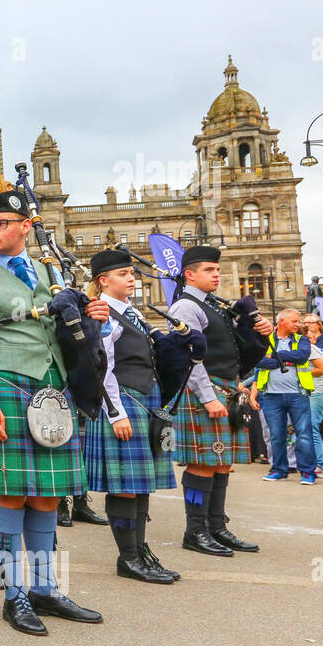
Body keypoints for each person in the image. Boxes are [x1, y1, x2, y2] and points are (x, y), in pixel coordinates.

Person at [0, 189, 108, 635]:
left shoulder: (50, 273)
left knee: (47, 495)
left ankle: (45, 588)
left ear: (26, 226)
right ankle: (13, 594)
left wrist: (91, 315)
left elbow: (71, 331)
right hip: (7, 387)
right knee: (10, 493)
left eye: (1, 223)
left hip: (54, 389)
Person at [166, 246, 272, 557]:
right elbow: (191, 358)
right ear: (190, 274)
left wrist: (260, 333)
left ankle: (216, 526)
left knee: (221, 463)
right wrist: (209, 398)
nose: (217, 275)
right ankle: (195, 530)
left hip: (225, 385)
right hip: (203, 390)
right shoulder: (186, 307)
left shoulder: (213, 305)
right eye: (210, 270)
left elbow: (231, 349)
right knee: (203, 463)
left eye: (217, 269)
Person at [83, 249, 178, 583]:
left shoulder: (132, 313)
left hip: (144, 401)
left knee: (139, 486)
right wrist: (115, 413)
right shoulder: (103, 314)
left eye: (132, 273)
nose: (131, 278)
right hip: (123, 402)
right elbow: (101, 366)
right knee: (124, 486)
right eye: (123, 273)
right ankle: (129, 559)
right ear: (103, 280)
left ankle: (140, 552)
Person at [249, 309, 323, 486]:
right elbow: (258, 361)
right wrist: (286, 360)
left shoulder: (302, 340)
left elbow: (302, 356)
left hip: (298, 394)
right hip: (271, 396)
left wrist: (274, 357)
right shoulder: (264, 340)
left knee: (304, 434)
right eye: (294, 321)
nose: (298, 324)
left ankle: (307, 472)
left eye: (298, 321)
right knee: (276, 435)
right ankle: (279, 470)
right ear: (282, 321)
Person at [303, 315, 323, 477]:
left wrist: (301, 373)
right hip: (309, 392)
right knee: (311, 428)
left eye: (308, 338)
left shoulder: (312, 349)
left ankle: (322, 464)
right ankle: (318, 462)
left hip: (318, 393)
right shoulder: (302, 350)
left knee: (314, 428)